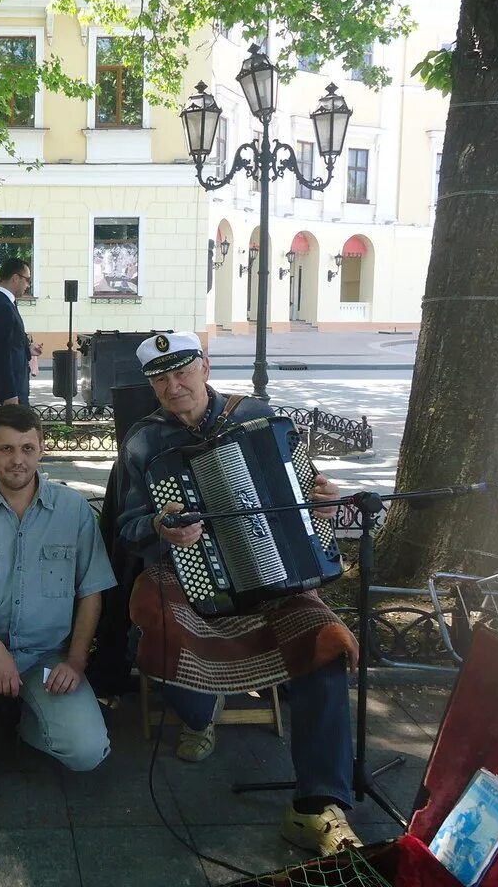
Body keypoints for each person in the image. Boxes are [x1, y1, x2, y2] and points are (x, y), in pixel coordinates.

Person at [115, 332, 363, 857]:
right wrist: (159, 527)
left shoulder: (256, 415)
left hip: (274, 573)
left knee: (325, 638)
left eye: (182, 371)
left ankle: (317, 805)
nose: (173, 385)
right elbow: (127, 524)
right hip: (187, 572)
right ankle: (201, 712)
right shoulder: (144, 441)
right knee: (157, 621)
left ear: (204, 367)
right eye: (160, 378)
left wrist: (324, 505)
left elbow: (306, 491)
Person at [0, 404, 116, 787]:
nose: (18, 460)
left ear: (42, 449)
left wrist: (77, 663)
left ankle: (28, 722)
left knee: (86, 752)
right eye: (6, 449)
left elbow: (91, 592)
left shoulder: (73, 510)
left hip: (48, 654)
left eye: (27, 448)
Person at [0, 258, 41, 486]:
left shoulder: (4, 303)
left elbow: (9, 344)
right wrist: (9, 394)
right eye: (27, 280)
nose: (28, 285)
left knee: (11, 439)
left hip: (11, 385)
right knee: (12, 439)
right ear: (15, 278)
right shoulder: (2, 305)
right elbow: (1, 353)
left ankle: (4, 481)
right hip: (9, 389)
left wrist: (27, 349)